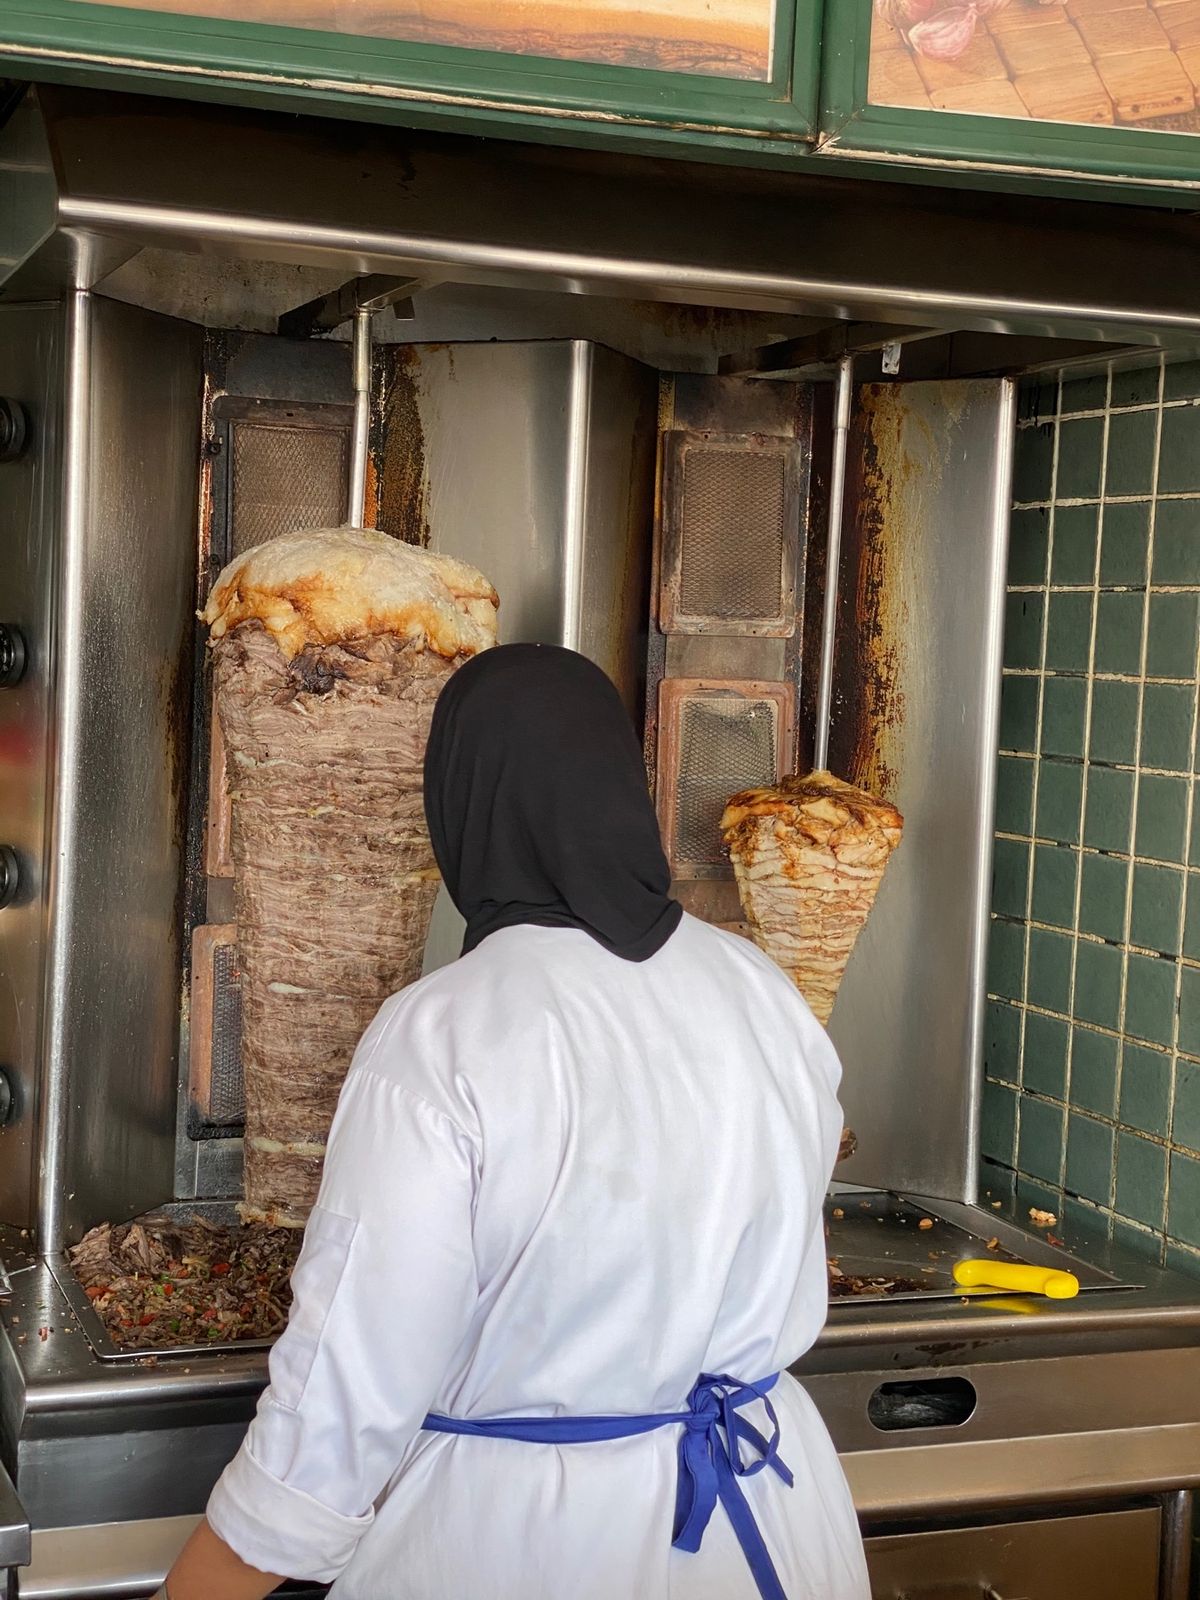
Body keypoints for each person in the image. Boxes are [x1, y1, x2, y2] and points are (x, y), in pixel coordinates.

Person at [161, 642, 869, 1600]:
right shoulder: (759, 989)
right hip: (769, 1528)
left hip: (529, 1544)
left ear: (465, 804)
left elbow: (341, 1400)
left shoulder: (444, 1032)